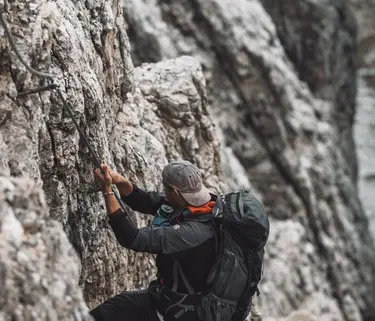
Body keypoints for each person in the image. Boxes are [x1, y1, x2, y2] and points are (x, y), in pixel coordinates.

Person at [91, 160, 218, 321]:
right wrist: (120, 181)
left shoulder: (191, 234)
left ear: (176, 193)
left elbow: (131, 238)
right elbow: (147, 201)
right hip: (169, 301)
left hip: (176, 312)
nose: (164, 193)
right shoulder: (203, 205)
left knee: (104, 315)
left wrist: (107, 190)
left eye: (166, 189)